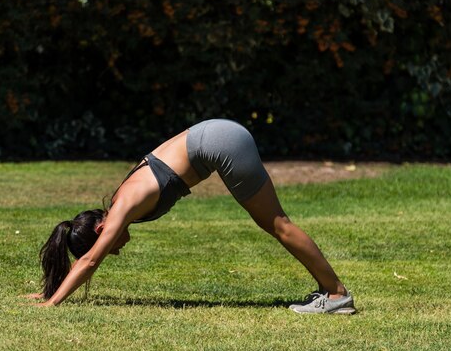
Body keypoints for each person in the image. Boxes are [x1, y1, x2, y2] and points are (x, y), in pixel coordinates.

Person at [26, 119, 356, 314]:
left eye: (110, 245)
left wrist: (52, 304)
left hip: (220, 144)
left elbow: (89, 262)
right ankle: (331, 290)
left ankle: (337, 293)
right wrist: (49, 290)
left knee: (278, 224)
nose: (116, 249)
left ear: (101, 227)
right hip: (218, 134)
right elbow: (89, 258)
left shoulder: (123, 207)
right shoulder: (120, 200)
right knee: (276, 224)